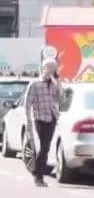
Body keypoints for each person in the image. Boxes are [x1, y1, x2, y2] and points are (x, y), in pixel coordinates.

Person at [26, 59, 63, 187]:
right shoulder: (35, 84)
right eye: (50, 67)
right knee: (44, 146)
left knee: (45, 148)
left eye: (54, 67)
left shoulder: (54, 83)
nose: (52, 69)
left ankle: (36, 171)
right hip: (40, 118)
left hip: (52, 117)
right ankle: (38, 176)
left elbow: (60, 98)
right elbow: (28, 103)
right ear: (43, 68)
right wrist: (29, 120)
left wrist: (58, 83)